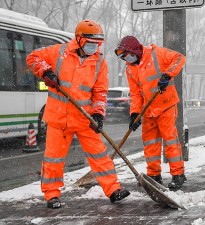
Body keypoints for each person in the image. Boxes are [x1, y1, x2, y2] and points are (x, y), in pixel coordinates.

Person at [26, 20, 130, 208]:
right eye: (92, 42)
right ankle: (52, 195)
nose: (95, 47)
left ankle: (114, 190)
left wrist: (98, 114)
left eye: (98, 44)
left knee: (100, 155)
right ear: (79, 39)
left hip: (85, 117)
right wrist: (46, 71)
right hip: (59, 118)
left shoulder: (99, 62)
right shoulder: (58, 52)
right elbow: (33, 58)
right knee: (54, 159)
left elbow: (100, 92)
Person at [114, 36, 187, 189]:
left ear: (134, 50)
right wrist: (135, 113)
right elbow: (135, 94)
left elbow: (179, 58)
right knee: (150, 143)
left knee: (170, 140)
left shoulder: (156, 53)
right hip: (148, 110)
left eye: (125, 55)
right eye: (122, 57)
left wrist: (168, 75)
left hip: (166, 104)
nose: (125, 59)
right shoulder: (130, 69)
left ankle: (178, 174)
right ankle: (154, 175)